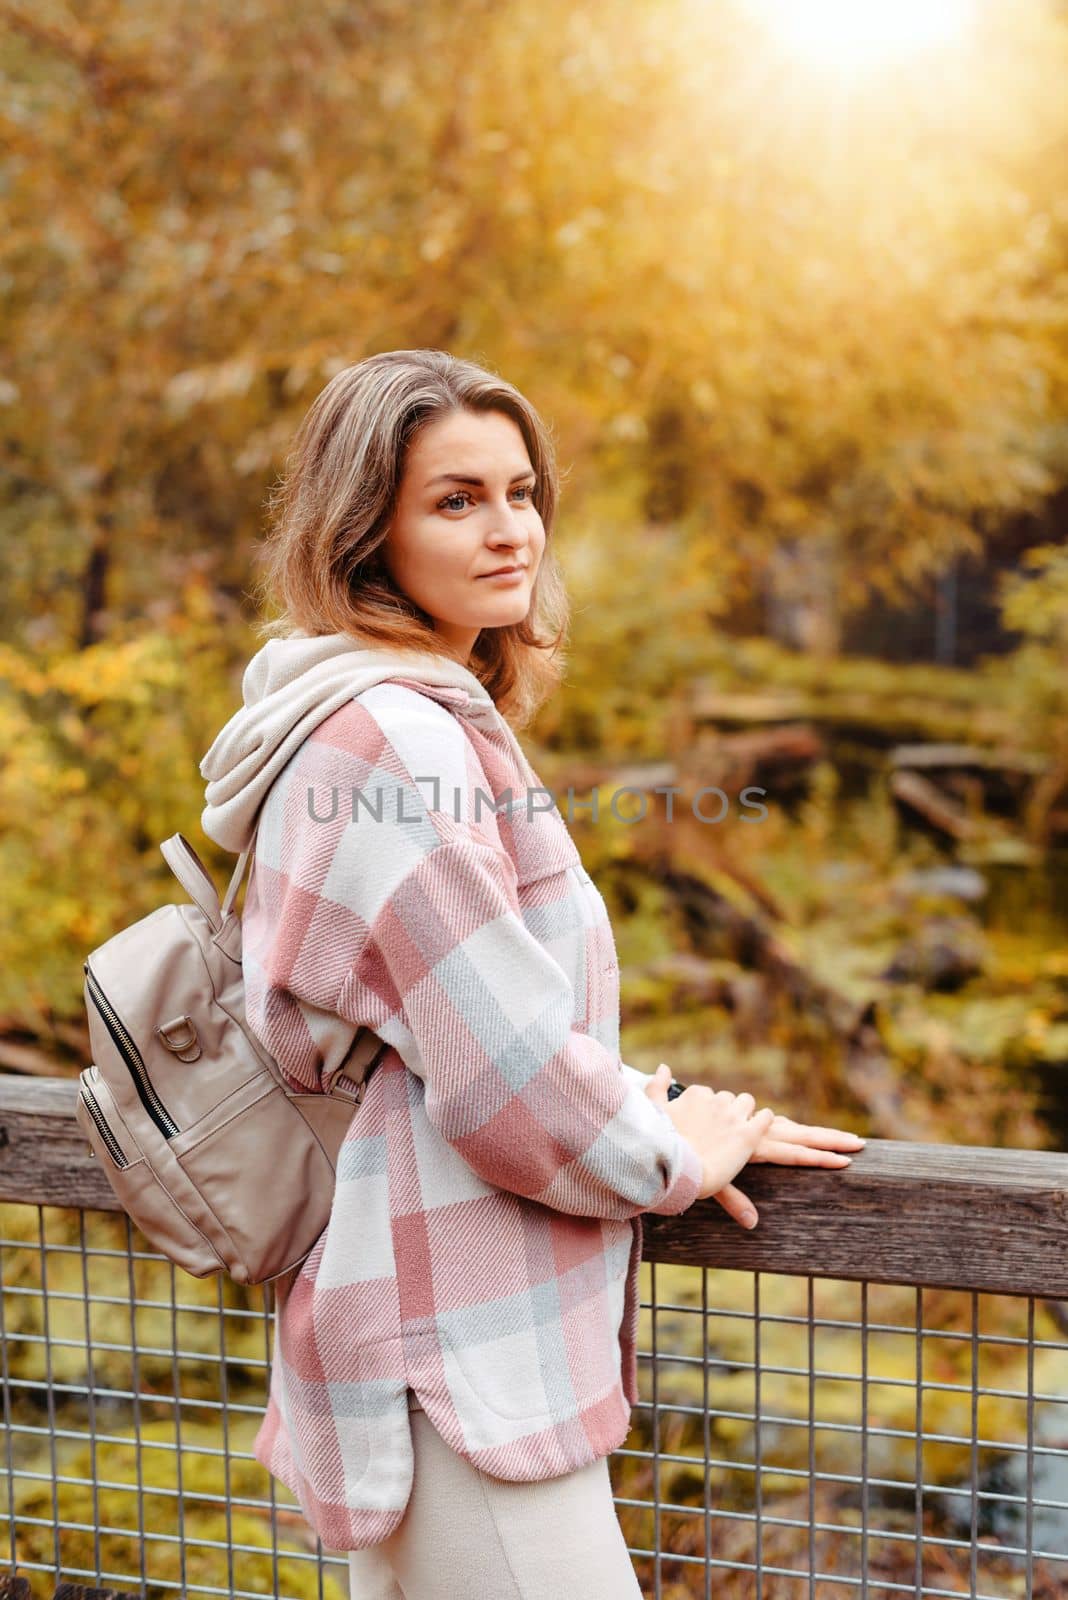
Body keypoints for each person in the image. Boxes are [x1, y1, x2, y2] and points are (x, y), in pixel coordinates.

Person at [198, 349, 864, 1599]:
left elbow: (458, 1026)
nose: (512, 532)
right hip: (454, 1352)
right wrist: (677, 1151)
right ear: (364, 531)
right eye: (456, 500)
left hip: (425, 1327)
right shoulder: (391, 739)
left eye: (522, 491)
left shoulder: (385, 717)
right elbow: (505, 1082)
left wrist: (651, 1107)